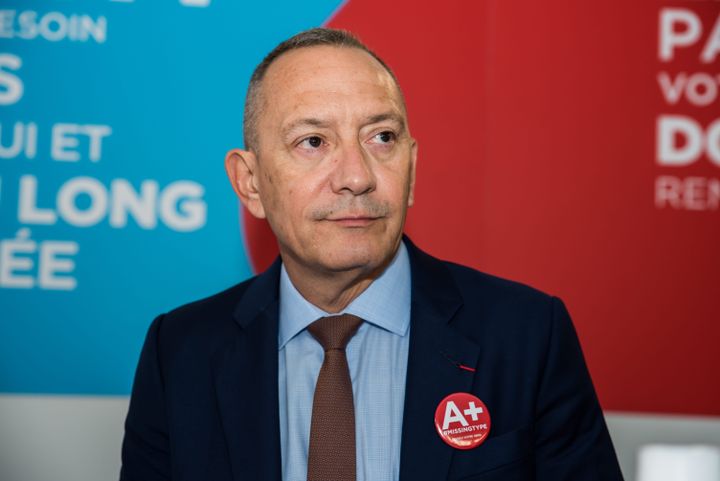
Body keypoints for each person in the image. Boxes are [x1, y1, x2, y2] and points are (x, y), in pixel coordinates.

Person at [120, 28, 624, 481]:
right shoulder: (181, 353)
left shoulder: (527, 336)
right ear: (250, 183)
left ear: (412, 166)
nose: (357, 176)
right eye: (313, 141)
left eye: (382, 137)